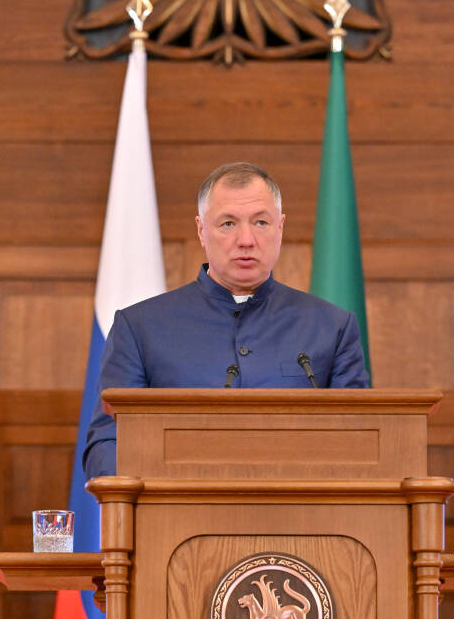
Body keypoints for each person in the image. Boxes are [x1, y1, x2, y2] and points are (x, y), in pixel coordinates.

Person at [83, 162, 370, 478]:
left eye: (261, 222)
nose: (246, 239)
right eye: (228, 223)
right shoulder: (139, 327)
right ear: (201, 230)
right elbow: (107, 444)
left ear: (280, 227)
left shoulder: (332, 327)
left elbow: (360, 441)